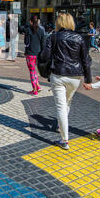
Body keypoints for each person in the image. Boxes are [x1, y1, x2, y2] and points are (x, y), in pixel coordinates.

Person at [40, 13, 92, 150]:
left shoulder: (53, 37)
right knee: (67, 102)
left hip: (58, 74)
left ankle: (65, 140)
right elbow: (86, 60)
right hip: (75, 77)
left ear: (59, 23)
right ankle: (60, 127)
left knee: (61, 106)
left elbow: (45, 55)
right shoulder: (79, 38)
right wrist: (88, 79)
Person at [24, 15, 46, 96]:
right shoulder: (41, 30)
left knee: (32, 71)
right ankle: (38, 86)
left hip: (30, 54)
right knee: (34, 70)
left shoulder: (28, 30)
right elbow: (43, 43)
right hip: (38, 53)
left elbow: (26, 43)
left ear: (30, 21)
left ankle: (35, 90)